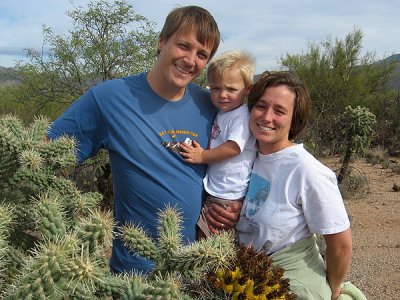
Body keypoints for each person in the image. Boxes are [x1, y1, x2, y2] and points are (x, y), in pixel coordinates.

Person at [48, 5, 240, 274]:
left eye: (201, 54)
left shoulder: (210, 105)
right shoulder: (108, 99)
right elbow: (46, 152)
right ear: (161, 41)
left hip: (195, 267)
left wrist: (234, 203)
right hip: (134, 272)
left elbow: (242, 157)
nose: (190, 60)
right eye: (183, 46)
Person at [235, 71, 354, 299]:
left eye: (279, 111)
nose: (267, 117)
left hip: (294, 285)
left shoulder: (306, 169)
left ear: (294, 120)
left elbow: (340, 244)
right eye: (261, 106)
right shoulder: (247, 157)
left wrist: (334, 289)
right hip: (253, 280)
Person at [180, 50, 257, 238]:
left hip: (227, 194)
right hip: (219, 189)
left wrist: (202, 156)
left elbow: (233, 147)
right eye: (216, 88)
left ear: (247, 89)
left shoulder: (241, 115)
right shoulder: (225, 112)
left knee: (207, 240)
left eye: (231, 89)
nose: (222, 95)